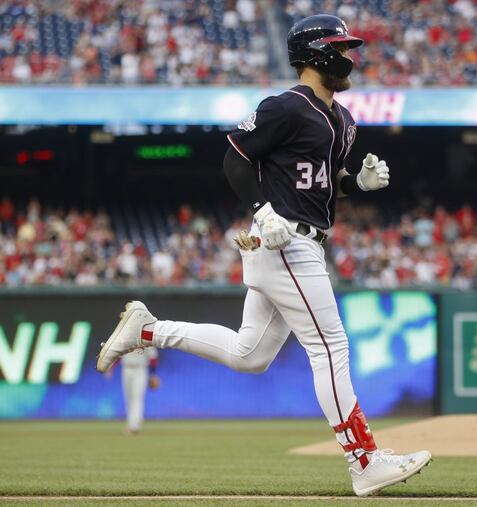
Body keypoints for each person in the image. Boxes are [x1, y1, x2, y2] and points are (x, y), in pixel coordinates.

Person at [96, 14, 431, 497]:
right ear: (314, 53)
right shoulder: (285, 107)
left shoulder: (344, 119)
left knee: (249, 355)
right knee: (331, 347)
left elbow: (318, 183)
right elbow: (235, 156)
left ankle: (149, 329)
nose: (349, 56)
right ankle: (364, 460)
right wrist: (261, 209)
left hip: (302, 236)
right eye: (339, 47)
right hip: (284, 239)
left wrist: (356, 183)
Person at [107, 348, 160, 435]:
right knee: (128, 398)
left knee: (137, 397)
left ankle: (134, 426)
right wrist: (111, 368)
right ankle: (131, 424)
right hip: (126, 369)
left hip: (140, 369)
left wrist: (153, 374)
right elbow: (119, 355)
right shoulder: (125, 337)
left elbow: (153, 357)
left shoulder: (146, 336)